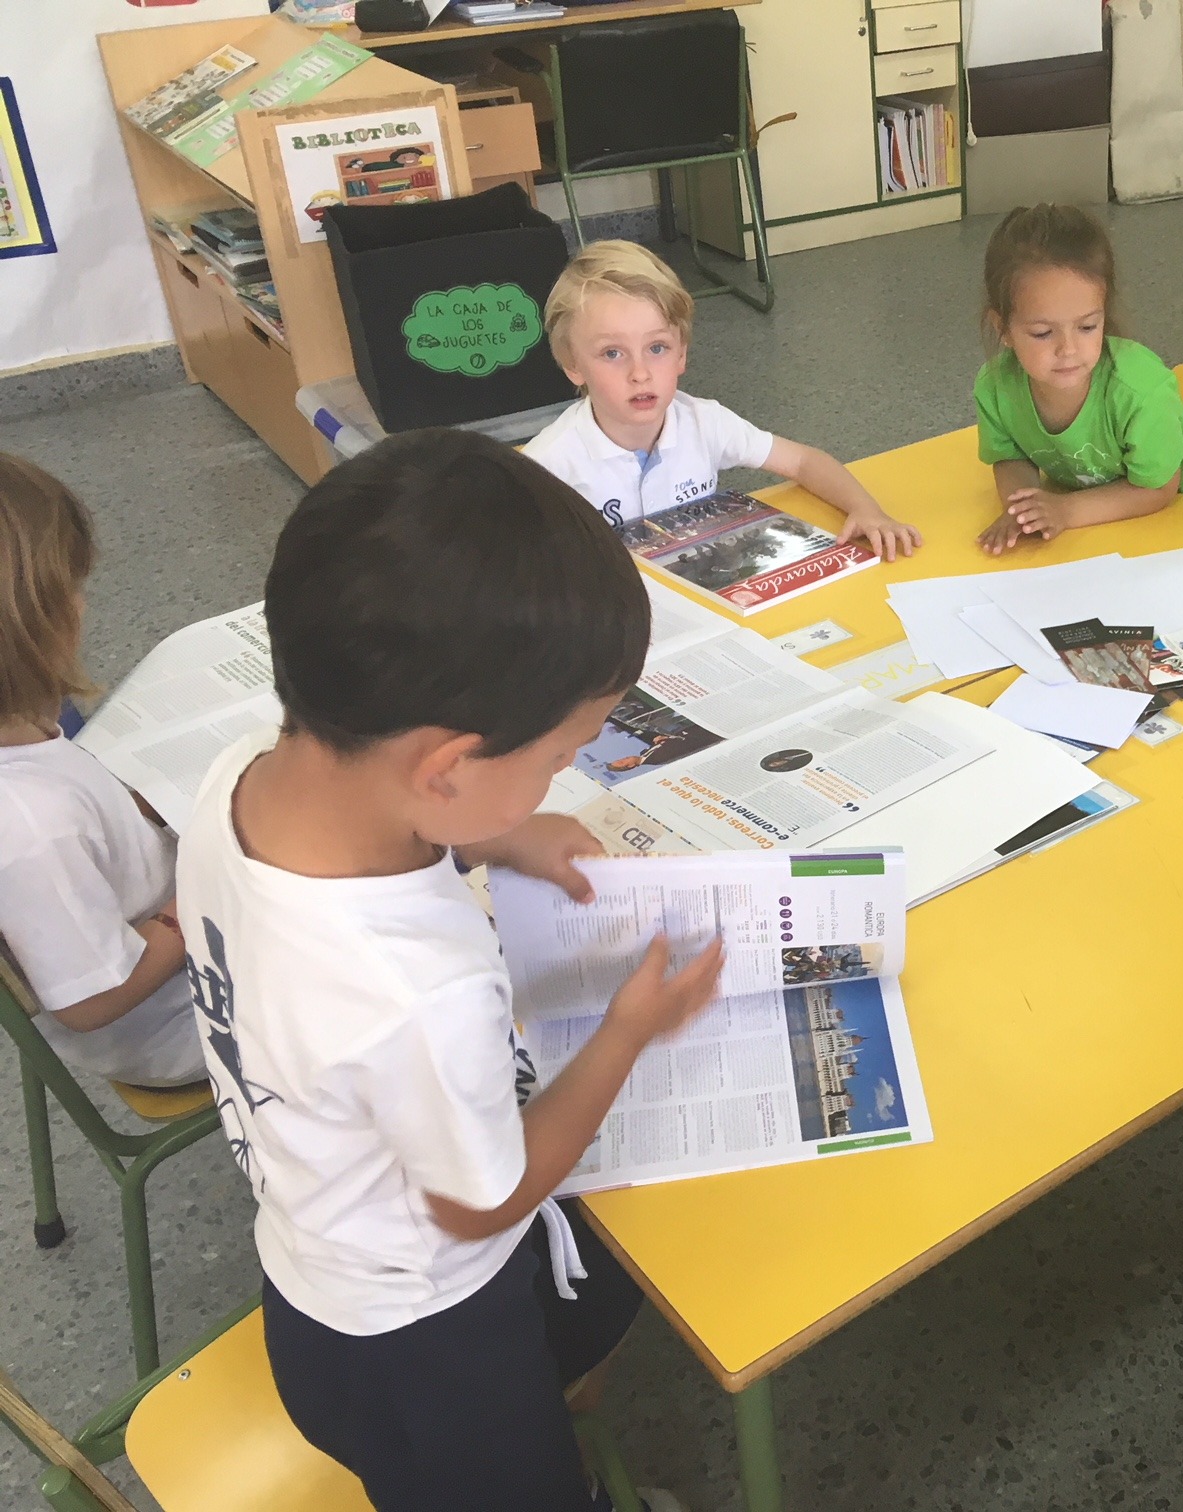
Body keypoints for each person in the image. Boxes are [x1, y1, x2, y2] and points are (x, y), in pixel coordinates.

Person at [175, 430, 724, 1512]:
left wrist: (497, 836)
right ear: (447, 767)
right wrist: (625, 1030)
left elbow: (392, 820)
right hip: (434, 1349)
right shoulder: (414, 988)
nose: (563, 773)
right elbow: (489, 1201)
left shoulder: (242, 779)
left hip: (317, 1284)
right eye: (558, 757)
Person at [0, 453, 204, 1089]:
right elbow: (92, 1001)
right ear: (28, 628)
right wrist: (203, 895)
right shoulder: (29, 822)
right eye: (71, 591)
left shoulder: (22, 735)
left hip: (170, 943)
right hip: (177, 1022)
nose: (84, 606)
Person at [525, 240, 920, 560]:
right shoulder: (547, 465)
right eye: (612, 353)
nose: (639, 373)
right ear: (572, 364)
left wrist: (866, 509)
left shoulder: (704, 422)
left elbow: (803, 461)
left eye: (657, 348)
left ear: (682, 353)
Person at [973, 204, 1183, 554]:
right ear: (1003, 329)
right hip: (1087, 505)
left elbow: (1159, 489)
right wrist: (1023, 510)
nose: (1068, 349)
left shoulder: (1138, 391)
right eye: (1043, 333)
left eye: (1087, 327)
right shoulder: (995, 387)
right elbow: (1010, 457)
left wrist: (1065, 511)